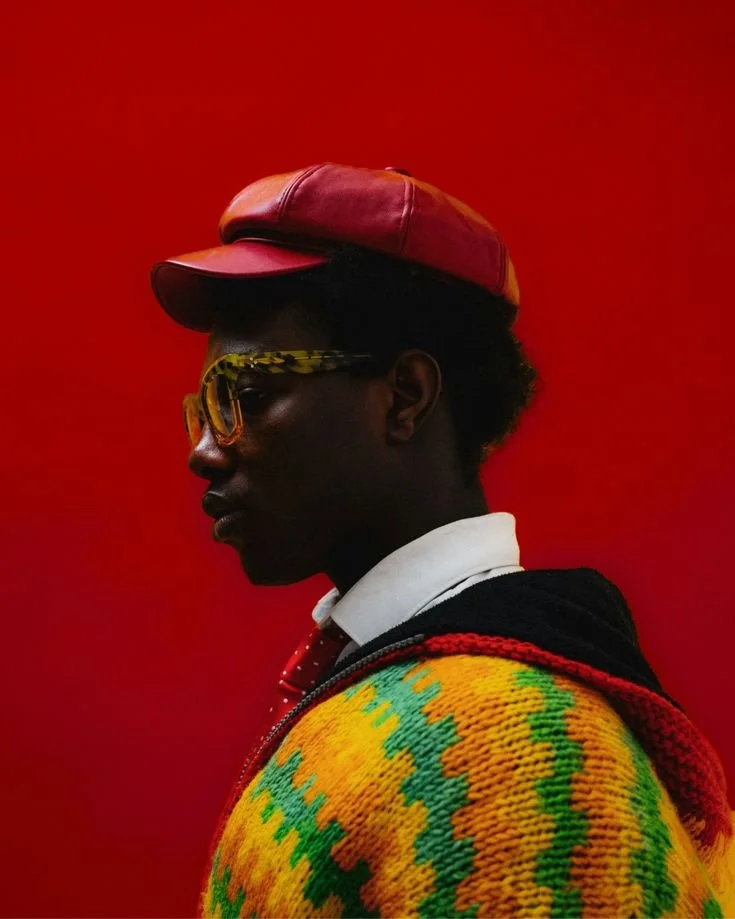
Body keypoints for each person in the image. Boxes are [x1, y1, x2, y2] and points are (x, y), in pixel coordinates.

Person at [150, 163, 734, 918]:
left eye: (250, 396)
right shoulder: (399, 687)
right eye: (205, 407)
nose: (205, 449)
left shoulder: (509, 745)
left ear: (404, 397)